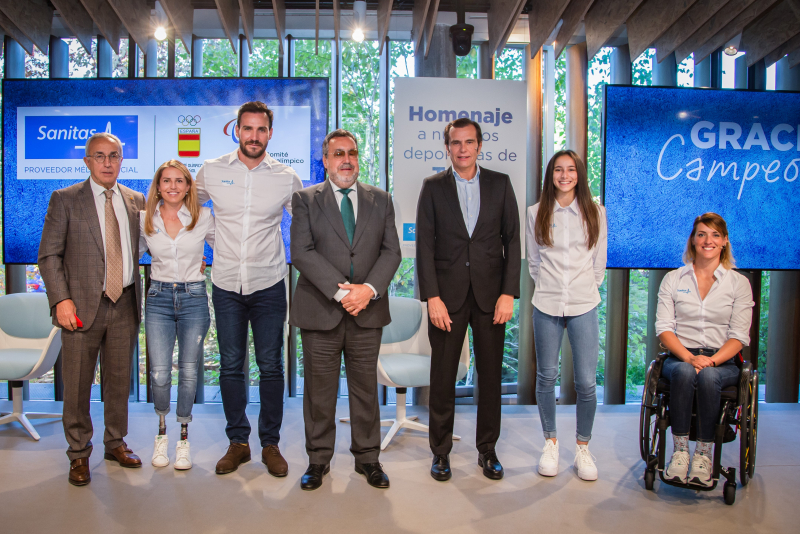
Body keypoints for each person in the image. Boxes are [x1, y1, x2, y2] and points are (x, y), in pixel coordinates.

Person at [289, 129, 401, 490]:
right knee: (319, 391)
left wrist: (367, 290)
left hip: (367, 310)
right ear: (325, 160)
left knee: (365, 390)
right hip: (321, 309)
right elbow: (302, 252)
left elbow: (391, 252)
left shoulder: (381, 199)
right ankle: (318, 461)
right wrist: (343, 294)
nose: (346, 160)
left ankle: (368, 459)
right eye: (338, 153)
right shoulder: (305, 199)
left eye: (351, 152)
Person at [195, 101, 303, 477]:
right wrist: (211, 240)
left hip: (270, 283)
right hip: (225, 283)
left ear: (270, 134)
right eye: (248, 129)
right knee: (230, 365)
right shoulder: (210, 171)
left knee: (272, 366)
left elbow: (306, 224)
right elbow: (185, 208)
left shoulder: (286, 177)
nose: (254, 136)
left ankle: (270, 444)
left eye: (261, 130)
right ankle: (238, 443)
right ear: (236, 131)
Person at [416, 117, 520, 482]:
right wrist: (432, 297)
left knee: (490, 376)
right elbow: (424, 247)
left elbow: (513, 241)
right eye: (456, 143)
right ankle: (440, 452)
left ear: (479, 145)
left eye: (469, 142)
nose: (463, 149)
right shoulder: (432, 187)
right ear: (447, 147)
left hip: (493, 297)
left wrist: (509, 292)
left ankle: (487, 450)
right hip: (447, 297)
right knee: (442, 377)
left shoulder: (500, 183)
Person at [38, 132, 146, 486]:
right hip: (81, 308)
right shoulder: (66, 199)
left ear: (121, 160)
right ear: (87, 161)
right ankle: (78, 454)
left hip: (124, 303)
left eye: (114, 155)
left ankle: (115, 442)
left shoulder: (135, 200)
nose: (107, 163)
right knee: (78, 384)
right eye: (99, 156)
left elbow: (148, 247)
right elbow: (49, 255)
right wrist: (61, 299)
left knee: (118, 382)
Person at [655, 212, 753, 487]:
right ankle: (681, 452)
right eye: (701, 234)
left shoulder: (738, 283)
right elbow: (664, 328)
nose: (707, 240)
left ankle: (704, 454)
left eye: (715, 235)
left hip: (722, 359)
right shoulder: (674, 279)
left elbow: (738, 336)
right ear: (693, 240)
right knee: (686, 372)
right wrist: (689, 357)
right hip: (680, 355)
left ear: (724, 242)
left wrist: (710, 362)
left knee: (709, 376)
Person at [526, 150, 607, 481]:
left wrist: (582, 289)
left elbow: (598, 263)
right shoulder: (536, 212)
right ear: (551, 175)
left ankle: (583, 447)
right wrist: (551, 288)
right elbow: (534, 262)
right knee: (547, 376)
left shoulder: (595, 212)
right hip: (546, 303)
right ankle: (551, 442)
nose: (564, 175)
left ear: (579, 175)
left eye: (570, 170)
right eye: (558, 170)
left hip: (584, 303)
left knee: (586, 381)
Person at [138, 160, 215, 470]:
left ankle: (183, 438)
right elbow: (133, 252)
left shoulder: (205, 217)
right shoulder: (143, 219)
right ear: (158, 186)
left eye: (179, 181)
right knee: (157, 371)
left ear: (188, 187)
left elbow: (224, 250)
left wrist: (204, 265)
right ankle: (161, 434)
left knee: (188, 371)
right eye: (166, 181)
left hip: (194, 297)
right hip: (157, 298)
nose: (172, 186)